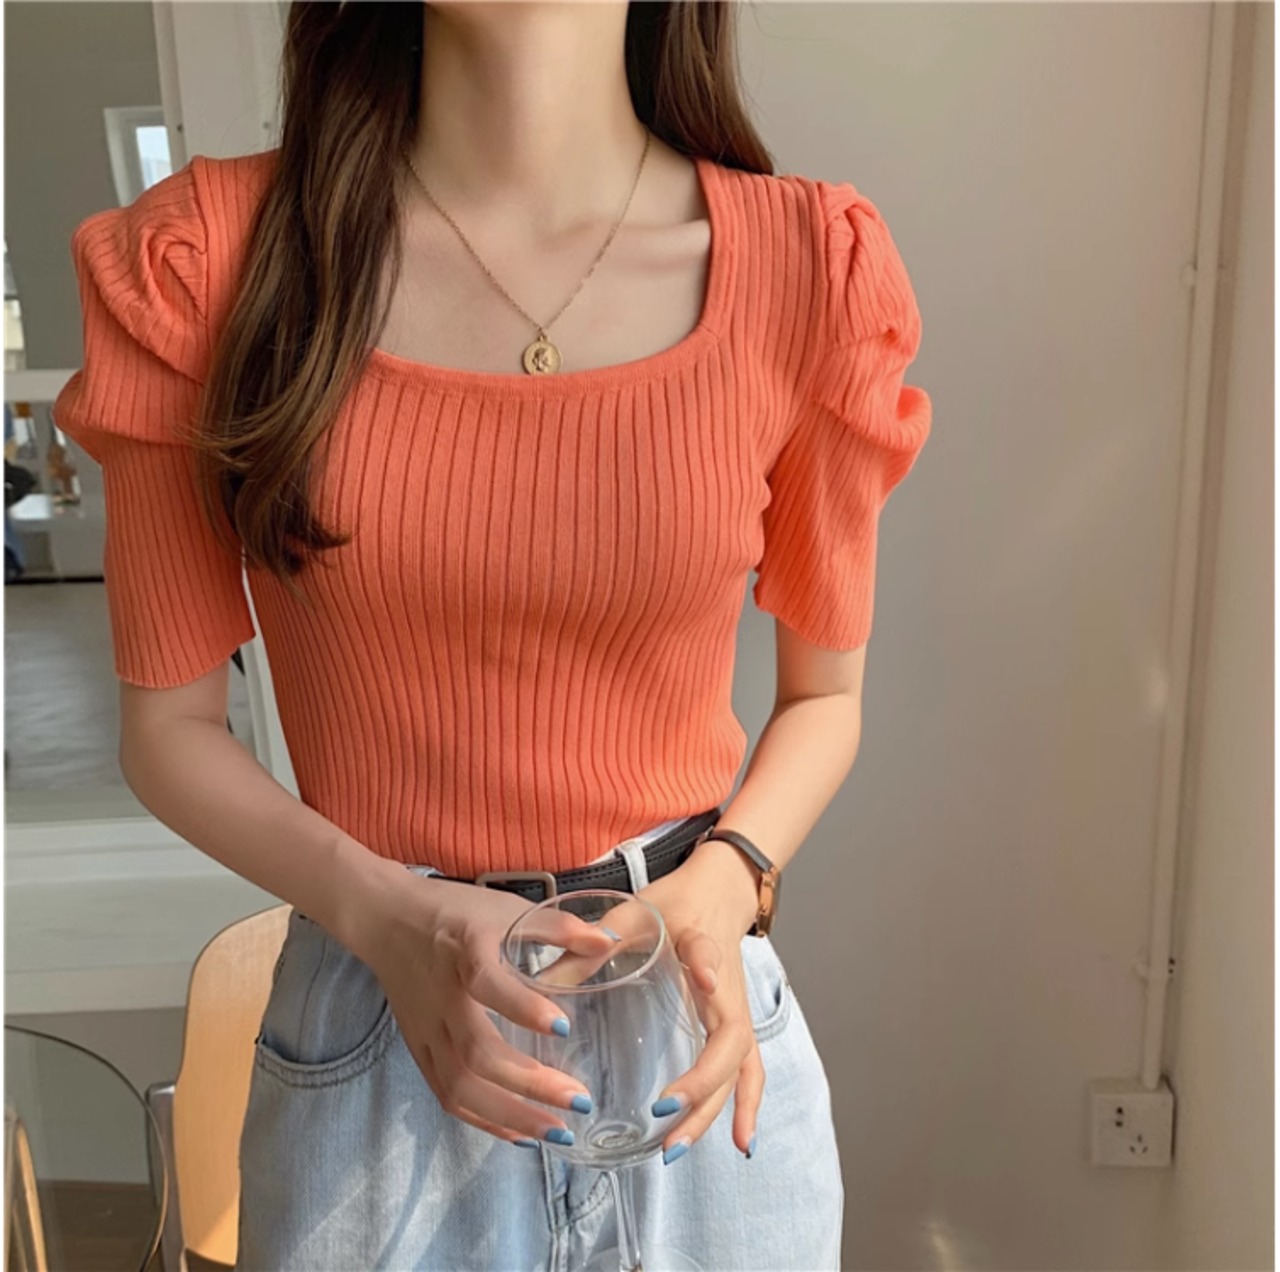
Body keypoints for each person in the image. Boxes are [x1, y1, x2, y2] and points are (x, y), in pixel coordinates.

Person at [52, 2, 932, 1268]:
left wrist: (728, 878)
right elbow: (169, 730)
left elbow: (823, 699)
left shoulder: (809, 268)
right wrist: (392, 919)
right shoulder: (208, 263)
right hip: (376, 1030)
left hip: (691, 1033)